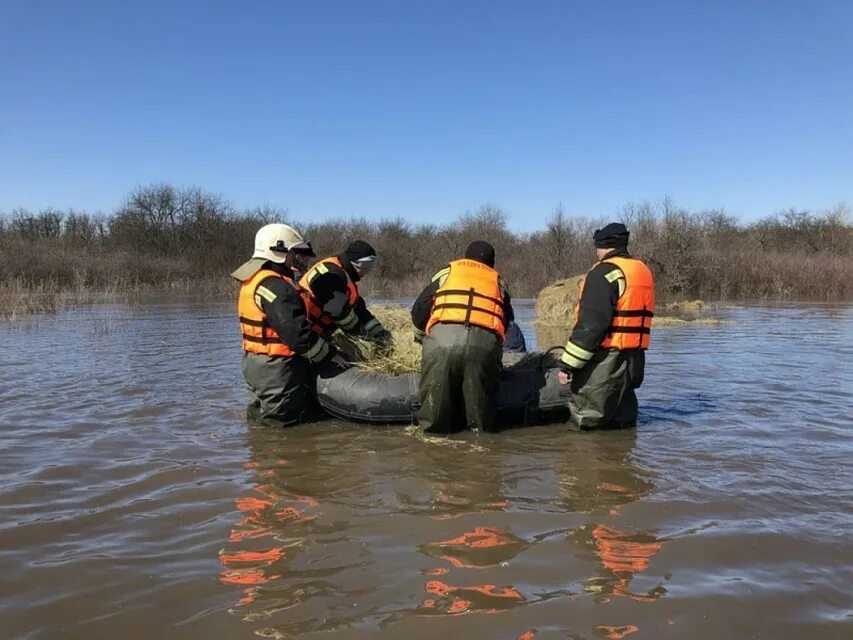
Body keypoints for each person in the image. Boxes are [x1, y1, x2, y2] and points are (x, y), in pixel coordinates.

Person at [231, 223, 347, 427]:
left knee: (259, 416)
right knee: (280, 426)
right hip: (277, 368)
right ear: (277, 252)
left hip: (255, 362)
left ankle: (256, 453)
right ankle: (282, 456)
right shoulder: (276, 287)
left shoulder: (257, 279)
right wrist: (330, 353)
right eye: (294, 253)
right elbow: (297, 335)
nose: (297, 259)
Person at [557, 223, 655, 430]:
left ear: (603, 246)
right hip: (634, 360)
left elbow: (592, 325)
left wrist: (568, 365)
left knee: (586, 423)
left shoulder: (603, 272)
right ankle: (623, 460)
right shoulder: (641, 270)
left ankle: (589, 462)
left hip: (606, 361)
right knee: (623, 424)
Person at [411, 240, 514, 434]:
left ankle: (432, 441)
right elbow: (506, 320)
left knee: (434, 415)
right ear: (492, 262)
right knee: (480, 414)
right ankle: (480, 439)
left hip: (442, 341)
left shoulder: (448, 272)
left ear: (465, 257)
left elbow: (420, 309)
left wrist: (421, 338)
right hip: (483, 345)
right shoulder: (498, 281)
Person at [298, 240, 392, 345]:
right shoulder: (331, 274)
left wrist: (381, 335)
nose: (368, 272)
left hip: (314, 334)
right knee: (342, 360)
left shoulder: (344, 276)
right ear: (360, 264)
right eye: (368, 267)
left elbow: (360, 312)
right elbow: (338, 311)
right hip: (301, 334)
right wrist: (362, 335)